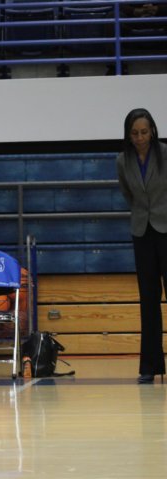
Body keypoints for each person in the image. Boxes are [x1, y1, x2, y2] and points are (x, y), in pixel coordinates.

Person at [116, 108, 167, 384]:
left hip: (166, 228)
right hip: (142, 232)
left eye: (144, 132)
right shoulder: (122, 161)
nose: (140, 138)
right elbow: (128, 194)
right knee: (148, 299)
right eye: (134, 133)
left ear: (153, 131)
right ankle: (150, 366)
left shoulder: (165, 154)